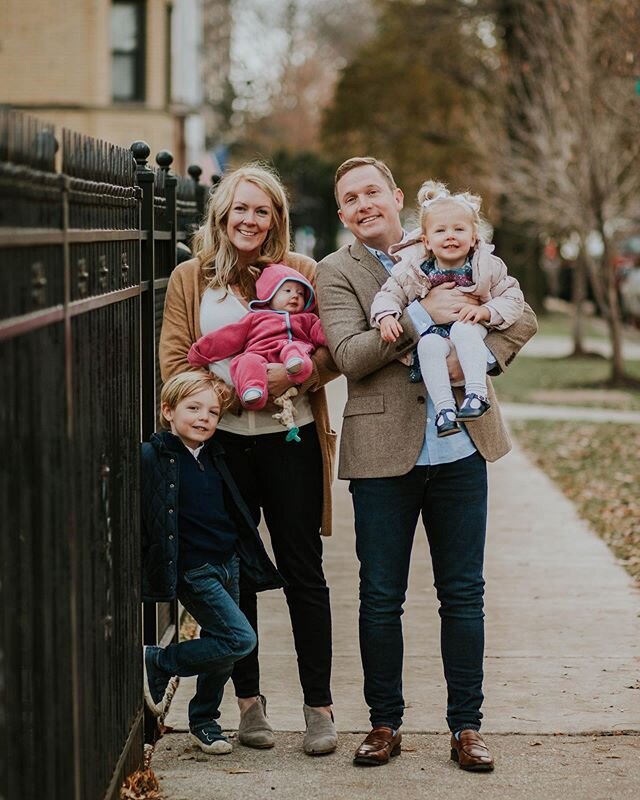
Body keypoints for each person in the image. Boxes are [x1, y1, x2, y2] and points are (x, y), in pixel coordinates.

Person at [316, 157, 538, 772]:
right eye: (349, 199)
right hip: (382, 455)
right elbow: (351, 354)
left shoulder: (453, 238)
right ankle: (384, 723)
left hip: (462, 447)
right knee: (380, 597)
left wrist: (479, 361)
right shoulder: (337, 272)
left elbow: (524, 315)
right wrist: (425, 314)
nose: (363, 205)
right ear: (341, 214)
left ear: (396, 197)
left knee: (463, 595)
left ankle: (467, 726)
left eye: (372, 192)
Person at [159, 163, 339, 756]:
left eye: (263, 211)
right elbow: (176, 365)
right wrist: (232, 396)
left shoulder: (303, 275)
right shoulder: (191, 278)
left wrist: (287, 377)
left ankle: (319, 708)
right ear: (222, 213)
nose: (250, 220)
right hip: (222, 446)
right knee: (235, 573)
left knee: (302, 569)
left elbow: (330, 353)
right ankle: (249, 704)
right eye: (242, 208)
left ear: (276, 220)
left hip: (292, 439)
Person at [141, 371, 283, 754]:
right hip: (194, 569)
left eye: (213, 412)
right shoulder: (155, 455)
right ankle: (160, 660)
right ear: (167, 411)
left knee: (221, 645)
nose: (204, 418)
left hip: (227, 563)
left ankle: (204, 720)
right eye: (193, 408)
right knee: (239, 639)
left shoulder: (217, 454)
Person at [370, 180, 524, 437]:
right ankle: (445, 410)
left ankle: (477, 394)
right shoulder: (413, 270)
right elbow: (389, 293)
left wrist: (486, 312)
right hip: (438, 335)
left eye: (459, 229)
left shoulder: (487, 266)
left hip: (473, 330)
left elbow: (514, 298)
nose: (450, 235)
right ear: (427, 241)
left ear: (474, 237)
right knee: (427, 345)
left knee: (464, 330)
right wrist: (386, 315)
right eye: (440, 231)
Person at [187, 263, 327, 412]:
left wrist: (336, 336)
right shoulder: (256, 318)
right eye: (287, 291)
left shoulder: (307, 319)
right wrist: (200, 352)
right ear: (270, 295)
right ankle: (252, 391)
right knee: (247, 361)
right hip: (259, 352)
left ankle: (296, 366)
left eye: (300, 293)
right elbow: (229, 337)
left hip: (290, 351)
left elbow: (324, 332)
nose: (295, 296)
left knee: (296, 348)